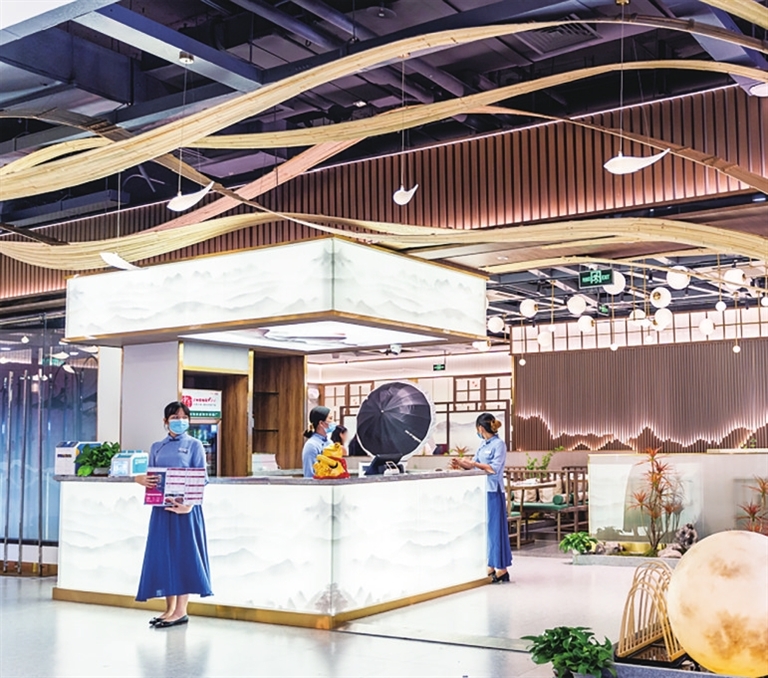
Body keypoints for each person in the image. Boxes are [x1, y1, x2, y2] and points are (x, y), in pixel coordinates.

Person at [134, 401, 213, 627]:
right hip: (162, 509)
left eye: (184, 417)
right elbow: (151, 475)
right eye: (175, 417)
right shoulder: (156, 447)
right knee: (165, 555)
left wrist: (189, 505)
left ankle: (180, 610)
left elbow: (201, 478)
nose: (180, 421)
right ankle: (168, 609)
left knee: (183, 556)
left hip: (186, 510)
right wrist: (140, 479)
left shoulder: (194, 445)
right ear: (165, 421)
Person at [451, 413, 512, 583]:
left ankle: (501, 569)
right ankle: (491, 566)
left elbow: (494, 468)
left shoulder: (499, 445)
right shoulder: (482, 445)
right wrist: (461, 463)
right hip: (482, 491)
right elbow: (474, 466)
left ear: (480, 428)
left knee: (495, 530)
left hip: (494, 491)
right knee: (486, 530)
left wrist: (474, 464)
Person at [302, 406, 335, 478]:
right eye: (330, 418)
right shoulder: (311, 445)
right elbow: (309, 474)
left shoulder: (330, 442)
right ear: (321, 423)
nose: (333, 422)